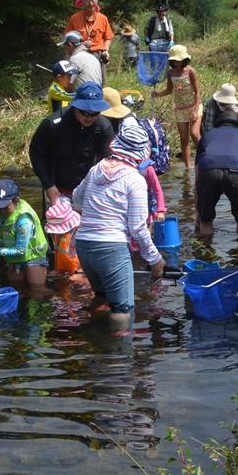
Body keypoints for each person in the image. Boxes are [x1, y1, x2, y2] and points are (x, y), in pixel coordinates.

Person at [72, 125, 166, 333]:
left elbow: (76, 200)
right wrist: (155, 258)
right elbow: (138, 228)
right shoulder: (135, 180)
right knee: (122, 308)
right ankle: (118, 358)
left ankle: (93, 338)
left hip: (84, 244)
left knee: (102, 296)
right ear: (142, 153)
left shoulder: (97, 168)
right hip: (111, 247)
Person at [29, 81, 114, 206]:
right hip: (57, 189)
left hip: (91, 190)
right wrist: (48, 185)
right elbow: (36, 153)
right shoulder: (53, 124)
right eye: (84, 112)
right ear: (75, 106)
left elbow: (109, 160)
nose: (89, 117)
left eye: (95, 113)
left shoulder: (103, 126)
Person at [0, 179, 49, 295]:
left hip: (33, 255)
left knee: (36, 289)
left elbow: (20, 250)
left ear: (16, 201)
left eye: (5, 207)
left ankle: (55, 299)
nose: (1, 211)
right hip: (13, 256)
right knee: (16, 288)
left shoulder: (24, 220)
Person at [194, 109, 238, 243]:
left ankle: (204, 255)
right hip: (237, 172)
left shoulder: (207, 136)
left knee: (206, 222)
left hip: (208, 172)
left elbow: (197, 178)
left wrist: (199, 212)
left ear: (219, 123)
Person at [152, 44, 201, 169]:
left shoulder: (190, 71)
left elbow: (197, 92)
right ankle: (188, 166)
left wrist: (195, 111)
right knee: (184, 138)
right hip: (180, 109)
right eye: (174, 60)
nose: (177, 62)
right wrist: (158, 94)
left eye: (179, 60)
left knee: (194, 133)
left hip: (194, 106)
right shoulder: (171, 73)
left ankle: (205, 156)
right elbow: (169, 90)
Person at [64, 0, 114, 85]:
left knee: (100, 83)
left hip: (98, 55)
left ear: (96, 1)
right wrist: (68, 55)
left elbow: (108, 37)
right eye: (88, 1)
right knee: (78, 83)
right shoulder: (74, 18)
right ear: (82, 2)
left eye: (93, 0)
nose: (91, 4)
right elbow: (67, 39)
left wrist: (106, 50)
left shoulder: (103, 19)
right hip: (80, 56)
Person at [44, 197, 82, 277]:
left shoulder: (78, 231)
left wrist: (79, 272)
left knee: (74, 280)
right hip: (62, 265)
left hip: (77, 267)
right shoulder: (57, 232)